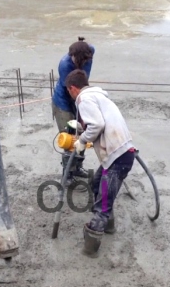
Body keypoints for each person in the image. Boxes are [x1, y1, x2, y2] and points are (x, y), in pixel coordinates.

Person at [65, 69, 136, 257]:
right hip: (120, 153)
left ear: (73, 88)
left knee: (102, 205)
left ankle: (90, 248)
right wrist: (80, 128)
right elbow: (96, 122)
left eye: (69, 91)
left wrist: (81, 141)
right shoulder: (99, 96)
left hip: (118, 157)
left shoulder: (84, 99)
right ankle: (109, 226)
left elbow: (97, 125)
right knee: (97, 184)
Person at [52, 37, 95, 186]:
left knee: (83, 135)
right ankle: (67, 174)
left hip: (80, 98)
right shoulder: (65, 65)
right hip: (65, 103)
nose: (72, 59)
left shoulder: (90, 52)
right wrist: (77, 115)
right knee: (71, 139)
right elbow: (71, 93)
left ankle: (77, 168)